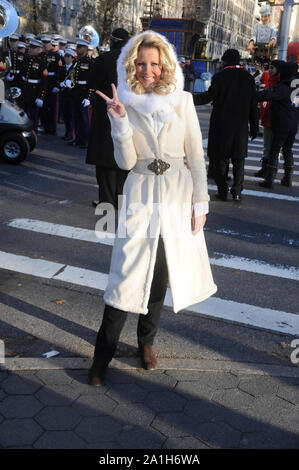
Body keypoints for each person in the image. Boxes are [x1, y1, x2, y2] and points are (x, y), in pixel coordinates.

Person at [87, 31, 217, 386]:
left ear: (166, 65)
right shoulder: (124, 102)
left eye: (154, 64)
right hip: (141, 192)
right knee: (125, 273)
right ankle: (103, 355)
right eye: (141, 64)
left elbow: (196, 156)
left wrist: (200, 203)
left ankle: (146, 342)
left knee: (161, 274)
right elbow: (126, 161)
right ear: (131, 65)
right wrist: (119, 121)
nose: (148, 71)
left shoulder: (184, 101)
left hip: (177, 193)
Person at [193, 48, 259, 201]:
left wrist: (188, 98)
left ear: (225, 61)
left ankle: (222, 190)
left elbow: (208, 97)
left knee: (220, 159)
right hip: (240, 126)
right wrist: (254, 126)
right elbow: (253, 105)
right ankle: (237, 191)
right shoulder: (248, 78)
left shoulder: (220, 77)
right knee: (239, 159)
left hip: (221, 125)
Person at [86, 28, 130, 209]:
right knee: (124, 158)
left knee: (105, 162)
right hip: (128, 114)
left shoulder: (105, 59)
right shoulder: (135, 59)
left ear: (113, 40)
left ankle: (107, 201)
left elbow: (92, 83)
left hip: (107, 114)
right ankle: (122, 198)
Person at [256, 62, 299, 188]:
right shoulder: (296, 86)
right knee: (288, 150)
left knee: (275, 150)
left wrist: (252, 96)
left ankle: (269, 179)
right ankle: (288, 178)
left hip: (282, 122)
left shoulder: (284, 86)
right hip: (293, 123)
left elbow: (268, 95)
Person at [255, 60, 284, 178]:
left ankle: (271, 171)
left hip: (276, 120)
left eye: (272, 68)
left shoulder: (280, 84)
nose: (270, 70)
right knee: (267, 146)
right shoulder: (269, 81)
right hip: (267, 118)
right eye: (269, 67)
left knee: (274, 148)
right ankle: (265, 168)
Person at [67, 38, 94, 149]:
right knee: (76, 117)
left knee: (84, 119)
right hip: (75, 93)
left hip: (84, 93)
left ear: (85, 48)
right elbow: (72, 75)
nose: (77, 49)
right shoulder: (76, 62)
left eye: (79, 47)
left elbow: (92, 81)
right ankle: (78, 139)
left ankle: (86, 140)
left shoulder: (90, 63)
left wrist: (89, 97)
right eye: (77, 47)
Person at [18, 39, 48, 131]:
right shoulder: (26, 58)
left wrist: (40, 97)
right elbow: (21, 75)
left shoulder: (42, 62)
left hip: (34, 93)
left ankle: (32, 132)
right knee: (22, 113)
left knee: (32, 115)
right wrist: (19, 87)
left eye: (33, 48)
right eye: (30, 47)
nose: (30, 49)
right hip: (24, 90)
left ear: (39, 49)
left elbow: (44, 82)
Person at [59, 48, 75, 141]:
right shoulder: (62, 68)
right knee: (65, 114)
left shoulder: (75, 68)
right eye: (65, 56)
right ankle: (66, 132)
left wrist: (70, 83)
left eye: (68, 56)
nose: (66, 58)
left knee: (70, 115)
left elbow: (76, 80)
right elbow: (58, 78)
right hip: (63, 94)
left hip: (71, 95)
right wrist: (60, 84)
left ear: (72, 58)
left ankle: (71, 134)